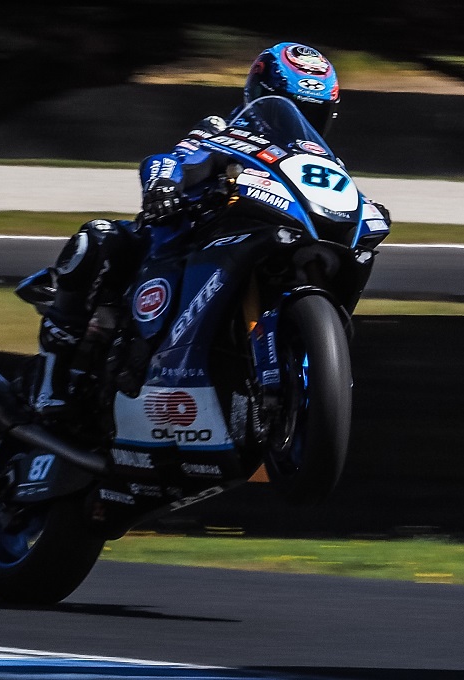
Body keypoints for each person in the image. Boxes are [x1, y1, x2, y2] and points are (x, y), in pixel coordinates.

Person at [32, 42, 388, 414]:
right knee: (98, 238)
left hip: (267, 241)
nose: (302, 124)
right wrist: (164, 185)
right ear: (260, 97)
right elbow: (174, 159)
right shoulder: (224, 131)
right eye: (292, 109)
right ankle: (51, 381)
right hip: (182, 236)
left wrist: (371, 211)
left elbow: (346, 196)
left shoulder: (323, 163)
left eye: (314, 115)